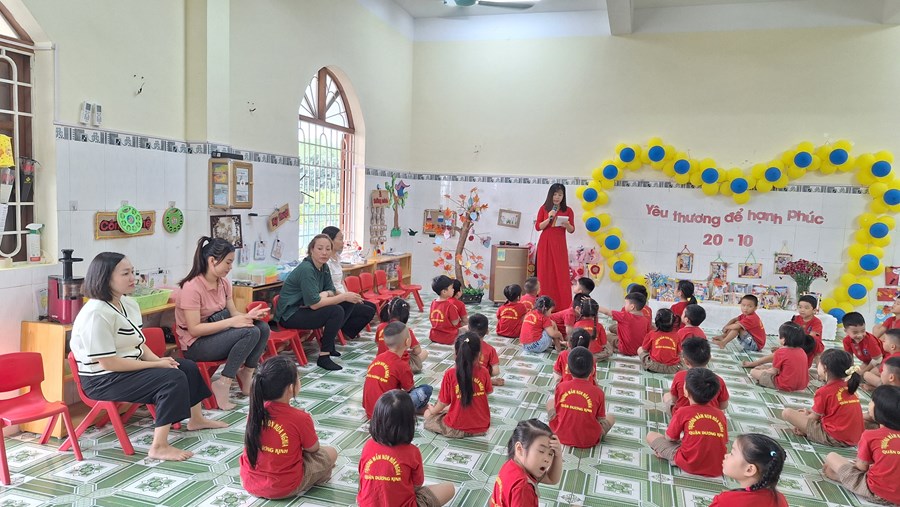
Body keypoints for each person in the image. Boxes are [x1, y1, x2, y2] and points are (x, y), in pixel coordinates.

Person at [70, 252, 227, 462]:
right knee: (172, 378)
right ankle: (159, 446)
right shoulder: (95, 314)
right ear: (105, 278)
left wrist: (158, 361)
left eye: (132, 272)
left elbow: (139, 344)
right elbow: (108, 362)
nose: (133, 278)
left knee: (186, 367)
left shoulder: (129, 304)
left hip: (125, 370)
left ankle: (196, 419)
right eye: (125, 273)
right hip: (102, 379)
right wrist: (155, 366)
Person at [175, 236, 270, 410]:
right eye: (228, 262)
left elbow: (234, 313)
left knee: (262, 327)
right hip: (195, 345)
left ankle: (246, 373)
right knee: (251, 332)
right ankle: (223, 383)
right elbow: (194, 330)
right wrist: (233, 322)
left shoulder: (224, 283)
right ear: (212, 260)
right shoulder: (192, 287)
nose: (230, 267)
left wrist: (249, 316)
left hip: (217, 335)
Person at [240, 356, 337, 499]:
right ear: (291, 387)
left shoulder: (254, 411)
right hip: (284, 487)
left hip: (249, 482)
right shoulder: (300, 418)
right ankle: (318, 477)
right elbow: (313, 449)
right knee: (331, 452)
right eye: (298, 378)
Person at [275, 234, 363, 371]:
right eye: (320, 248)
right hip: (290, 314)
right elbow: (315, 304)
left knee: (348, 303)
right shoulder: (307, 269)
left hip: (304, 308)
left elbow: (331, 289)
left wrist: (327, 293)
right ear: (311, 250)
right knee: (336, 310)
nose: (324, 252)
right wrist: (342, 296)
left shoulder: (324, 267)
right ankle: (324, 356)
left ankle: (328, 342)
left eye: (328, 249)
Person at [357, 390, 455, 507]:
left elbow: (361, 476)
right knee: (449, 488)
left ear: (376, 419)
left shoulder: (368, 445)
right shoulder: (412, 452)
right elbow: (417, 484)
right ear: (409, 423)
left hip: (365, 504)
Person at [823, 385, 900, 506]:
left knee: (831, 457)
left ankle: (843, 478)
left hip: (878, 493)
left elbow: (861, 468)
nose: (869, 404)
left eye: (871, 401)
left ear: (878, 410)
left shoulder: (870, 435)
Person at [646, 367, 728, 477]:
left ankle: (672, 458)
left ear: (686, 392)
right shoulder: (721, 415)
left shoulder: (683, 412)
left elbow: (670, 438)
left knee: (651, 436)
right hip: (717, 466)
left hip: (689, 463)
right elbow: (723, 441)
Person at [780, 349, 863, 447]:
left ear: (825, 368)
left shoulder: (824, 391)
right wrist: (808, 415)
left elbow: (814, 418)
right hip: (855, 437)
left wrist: (802, 423)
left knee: (787, 413)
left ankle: (806, 431)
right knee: (804, 414)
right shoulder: (849, 386)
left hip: (834, 438)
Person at [424, 332, 493, 438]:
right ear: (479, 354)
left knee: (428, 415)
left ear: (456, 354)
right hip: (482, 426)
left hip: (456, 428)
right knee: (448, 410)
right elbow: (486, 394)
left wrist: (432, 410)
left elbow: (442, 403)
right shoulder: (484, 371)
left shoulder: (450, 374)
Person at [363, 322, 433, 419]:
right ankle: (416, 409)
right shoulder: (402, 365)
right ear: (407, 342)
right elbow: (409, 389)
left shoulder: (378, 358)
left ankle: (415, 409)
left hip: (370, 411)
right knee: (426, 389)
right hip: (389, 414)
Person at [548, 347, 614, 448]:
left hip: (560, 435)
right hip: (589, 440)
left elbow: (558, 410)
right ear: (592, 370)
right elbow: (600, 418)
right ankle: (597, 436)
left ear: (568, 370)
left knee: (550, 402)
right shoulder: (599, 392)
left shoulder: (560, 387)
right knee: (611, 417)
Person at [489, 419, 562, 507]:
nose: (547, 459)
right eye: (541, 451)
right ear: (519, 449)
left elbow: (551, 479)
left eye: (550, 454)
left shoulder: (510, 465)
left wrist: (558, 455)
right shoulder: (523, 488)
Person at [321, 226, 376, 339]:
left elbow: (341, 281)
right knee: (368, 311)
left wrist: (350, 295)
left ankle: (344, 330)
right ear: (330, 240)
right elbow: (328, 287)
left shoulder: (337, 257)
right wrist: (346, 297)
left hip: (344, 296)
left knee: (371, 306)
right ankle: (338, 332)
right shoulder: (325, 262)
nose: (343, 242)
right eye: (340, 239)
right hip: (334, 299)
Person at [710, 434, 788, 506]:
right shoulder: (780, 499)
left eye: (732, 454)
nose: (726, 456)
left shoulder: (725, 501)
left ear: (749, 470)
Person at [534, 183, 575, 311]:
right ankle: (544, 306)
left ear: (563, 196)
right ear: (550, 195)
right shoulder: (544, 208)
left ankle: (563, 306)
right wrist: (549, 218)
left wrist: (566, 224)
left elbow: (572, 230)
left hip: (559, 245)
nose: (557, 197)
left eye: (560, 195)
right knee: (544, 273)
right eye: (555, 194)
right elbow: (538, 227)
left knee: (561, 273)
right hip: (545, 243)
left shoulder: (568, 210)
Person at [665, 337, 729, 415]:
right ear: (709, 358)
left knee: (666, 396)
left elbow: (674, 400)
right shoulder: (718, 380)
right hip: (709, 417)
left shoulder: (679, 376)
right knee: (721, 412)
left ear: (686, 361)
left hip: (682, 415)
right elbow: (723, 405)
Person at [746, 322, 812, 392]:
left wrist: (762, 372)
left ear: (783, 340)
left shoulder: (781, 352)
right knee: (766, 368)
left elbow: (772, 372)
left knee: (753, 372)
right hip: (802, 385)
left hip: (784, 385)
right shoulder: (802, 351)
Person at [375, 298, 428, 373]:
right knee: (424, 352)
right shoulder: (405, 330)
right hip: (399, 365)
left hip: (381, 363)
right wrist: (406, 350)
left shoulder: (380, 327)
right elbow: (417, 351)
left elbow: (378, 343)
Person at [599, 292, 652, 356]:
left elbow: (607, 312)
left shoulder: (624, 316)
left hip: (625, 349)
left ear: (632, 307)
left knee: (606, 335)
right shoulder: (646, 320)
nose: (624, 306)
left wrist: (594, 305)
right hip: (638, 350)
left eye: (626, 303)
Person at [638, 308, 683, 374]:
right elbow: (679, 352)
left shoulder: (651, 334)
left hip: (653, 366)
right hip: (672, 368)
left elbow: (644, 349)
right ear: (673, 322)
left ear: (656, 321)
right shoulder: (677, 335)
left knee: (640, 349)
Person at [841, 312, 884, 378]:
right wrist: (851, 370)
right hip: (868, 361)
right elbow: (849, 357)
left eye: (863, 331)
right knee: (855, 374)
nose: (860, 335)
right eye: (855, 332)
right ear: (846, 331)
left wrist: (863, 371)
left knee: (868, 375)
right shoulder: (846, 341)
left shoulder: (870, 340)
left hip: (883, 360)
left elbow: (878, 359)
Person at [864, 356, 900, 429]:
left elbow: (872, 415)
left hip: (891, 429)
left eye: (882, 371)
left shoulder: (887, 396)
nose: (880, 373)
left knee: (862, 422)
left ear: (891, 377)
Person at [468, 313, 503, 386]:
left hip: (462, 375)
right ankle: (486, 380)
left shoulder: (461, 344)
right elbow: (496, 371)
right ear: (487, 331)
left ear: (468, 329)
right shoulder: (490, 349)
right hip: (480, 378)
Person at [570, 296, 610, 361]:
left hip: (580, 352)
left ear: (581, 311)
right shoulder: (599, 326)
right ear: (596, 313)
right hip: (596, 354)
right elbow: (603, 344)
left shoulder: (576, 324)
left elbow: (573, 342)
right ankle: (592, 358)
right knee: (608, 348)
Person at [428, 275, 461, 345]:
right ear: (444, 291)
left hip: (434, 336)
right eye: (451, 288)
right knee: (467, 329)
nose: (453, 290)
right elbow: (455, 322)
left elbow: (431, 319)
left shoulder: (433, 303)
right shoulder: (450, 306)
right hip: (449, 337)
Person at [793, 295, 824, 365]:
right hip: (798, 342)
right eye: (800, 307)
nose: (802, 310)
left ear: (814, 310)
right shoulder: (795, 318)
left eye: (806, 308)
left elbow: (812, 337)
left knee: (817, 354)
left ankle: (820, 370)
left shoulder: (817, 322)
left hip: (811, 344)